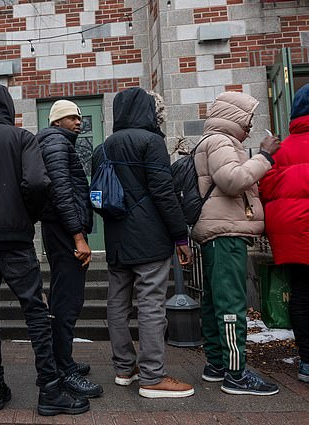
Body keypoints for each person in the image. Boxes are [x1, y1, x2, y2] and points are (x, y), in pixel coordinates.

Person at [0, 84, 89, 416]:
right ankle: (50, 391)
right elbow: (38, 183)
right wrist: (29, 215)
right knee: (35, 313)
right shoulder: (22, 138)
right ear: (10, 108)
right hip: (16, 241)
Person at [91, 87, 194, 399]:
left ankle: (125, 368)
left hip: (117, 240)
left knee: (117, 304)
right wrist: (180, 236)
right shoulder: (151, 142)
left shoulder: (103, 147)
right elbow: (164, 193)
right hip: (149, 239)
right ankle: (152, 376)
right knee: (150, 304)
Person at [191, 91, 281, 395]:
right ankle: (236, 373)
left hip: (220, 231)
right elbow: (231, 180)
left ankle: (217, 365)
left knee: (216, 300)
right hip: (225, 233)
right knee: (230, 303)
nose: (252, 126)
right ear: (235, 117)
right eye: (249, 119)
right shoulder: (220, 142)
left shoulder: (216, 142)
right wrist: (264, 157)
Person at [36, 100, 102, 398]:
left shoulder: (57, 143)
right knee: (68, 300)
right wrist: (78, 236)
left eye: (78, 117)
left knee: (65, 296)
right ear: (56, 122)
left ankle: (63, 361)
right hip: (64, 232)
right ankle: (63, 370)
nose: (78, 121)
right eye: (70, 117)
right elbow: (62, 191)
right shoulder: (56, 144)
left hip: (60, 230)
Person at [261, 84, 309, 384]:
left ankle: (307, 360)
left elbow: (265, 190)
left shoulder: (280, 150)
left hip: (291, 234)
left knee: (302, 295)